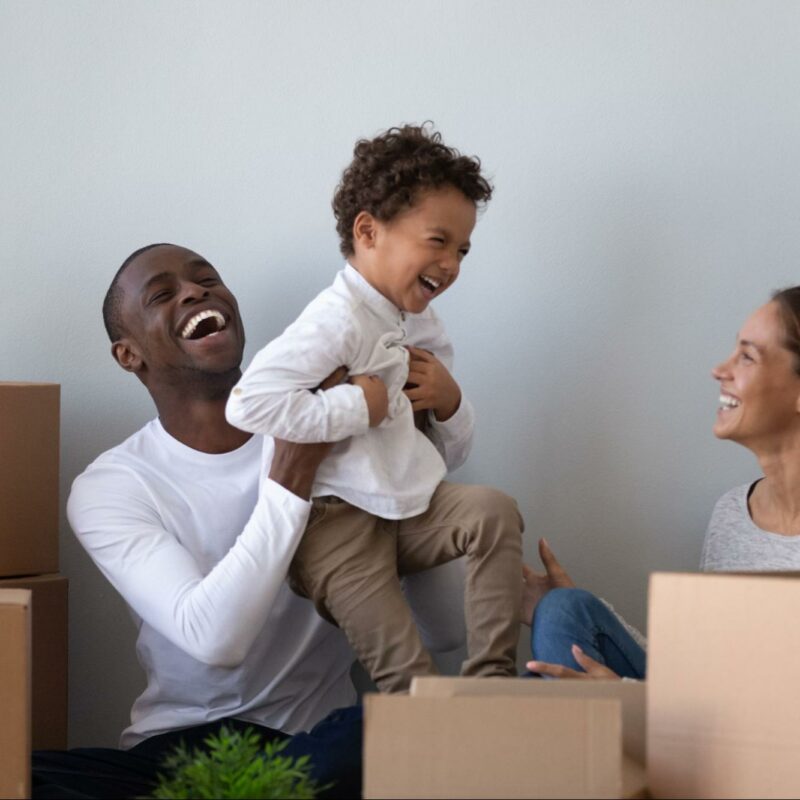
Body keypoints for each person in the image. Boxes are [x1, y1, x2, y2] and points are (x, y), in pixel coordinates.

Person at [32, 242, 469, 799]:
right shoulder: (110, 486)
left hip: (309, 745)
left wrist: (416, 454)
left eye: (207, 279)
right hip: (180, 752)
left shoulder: (339, 427)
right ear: (129, 355)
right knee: (31, 776)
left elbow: (446, 633)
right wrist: (291, 477)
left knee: (398, 728)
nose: (196, 292)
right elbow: (213, 638)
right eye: (163, 295)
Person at [226, 124, 524, 692]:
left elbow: (450, 456)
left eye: (462, 249)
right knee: (411, 683)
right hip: (332, 527)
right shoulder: (336, 318)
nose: (453, 263)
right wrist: (355, 407)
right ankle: (436, 758)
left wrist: (451, 401)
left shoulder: (420, 325)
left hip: (403, 508)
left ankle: (491, 685)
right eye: (437, 241)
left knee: (493, 511)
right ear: (369, 231)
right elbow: (249, 403)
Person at [522, 287, 800, 680]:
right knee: (564, 609)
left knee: (542, 695)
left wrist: (630, 696)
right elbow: (700, 667)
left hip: (768, 734)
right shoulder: (733, 513)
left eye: (747, 357)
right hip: (710, 711)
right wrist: (584, 623)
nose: (720, 370)